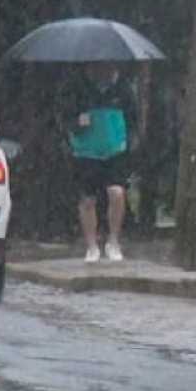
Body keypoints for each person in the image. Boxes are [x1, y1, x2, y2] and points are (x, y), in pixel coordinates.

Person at [67, 63, 135, 263]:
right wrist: (77, 122)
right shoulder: (77, 88)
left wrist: (130, 142)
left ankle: (113, 241)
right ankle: (91, 245)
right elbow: (65, 117)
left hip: (115, 150)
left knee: (116, 192)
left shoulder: (123, 88)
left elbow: (133, 118)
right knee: (88, 199)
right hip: (86, 151)